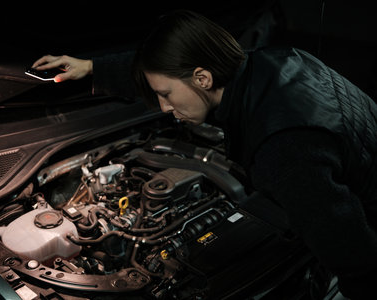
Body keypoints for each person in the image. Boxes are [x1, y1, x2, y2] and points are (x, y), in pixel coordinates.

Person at [31, 10, 377, 299]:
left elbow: (347, 248)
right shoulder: (274, 62)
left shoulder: (282, 145)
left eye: (166, 95)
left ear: (203, 78)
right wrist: (93, 68)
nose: (164, 108)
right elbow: (167, 71)